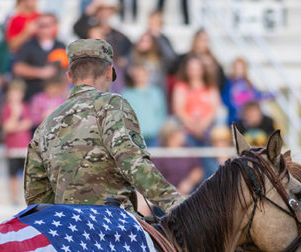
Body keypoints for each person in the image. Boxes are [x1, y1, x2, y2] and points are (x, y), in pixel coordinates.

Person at [23, 38, 182, 212]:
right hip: (113, 226)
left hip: (68, 229)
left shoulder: (47, 122)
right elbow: (133, 163)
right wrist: (175, 204)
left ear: (69, 76)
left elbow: (35, 194)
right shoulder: (112, 104)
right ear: (109, 72)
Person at [12, 12, 66, 101]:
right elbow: (18, 68)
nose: (44, 29)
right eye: (41, 25)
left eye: (47, 25)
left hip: (55, 98)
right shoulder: (28, 45)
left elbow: (67, 72)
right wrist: (40, 73)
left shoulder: (61, 46)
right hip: (32, 95)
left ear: (54, 26)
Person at [171, 54, 221, 146]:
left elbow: (214, 109)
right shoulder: (181, 87)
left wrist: (202, 125)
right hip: (187, 129)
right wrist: (193, 126)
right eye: (191, 69)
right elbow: (179, 110)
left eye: (197, 68)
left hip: (208, 129)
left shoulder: (210, 87)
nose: (194, 72)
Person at [73, 0, 132, 68]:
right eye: (101, 11)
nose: (104, 14)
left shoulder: (120, 37)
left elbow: (124, 59)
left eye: (108, 11)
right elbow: (77, 27)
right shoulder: (88, 32)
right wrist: (92, 7)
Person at [152, 117, 203, 195]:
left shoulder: (188, 147)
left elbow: (198, 170)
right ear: (171, 136)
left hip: (188, 194)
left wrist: (188, 182)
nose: (184, 135)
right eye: (181, 132)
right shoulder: (159, 152)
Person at [1, 79, 32, 206]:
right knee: (13, 174)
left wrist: (16, 126)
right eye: (12, 93)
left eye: (17, 93)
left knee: (27, 175)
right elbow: (7, 127)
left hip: (24, 147)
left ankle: (27, 198)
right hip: (12, 148)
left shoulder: (25, 107)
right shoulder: (7, 108)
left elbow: (28, 123)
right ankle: (14, 198)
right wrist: (15, 115)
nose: (15, 96)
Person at [122, 62, 165, 146]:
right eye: (138, 74)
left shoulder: (156, 93)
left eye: (143, 74)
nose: (140, 77)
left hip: (154, 137)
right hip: (135, 137)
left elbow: (161, 113)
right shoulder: (127, 94)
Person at [223, 57, 269, 124]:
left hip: (248, 117)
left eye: (241, 67)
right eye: (236, 67)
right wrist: (238, 107)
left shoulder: (248, 83)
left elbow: (256, 95)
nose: (238, 70)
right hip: (235, 118)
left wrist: (266, 95)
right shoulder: (229, 83)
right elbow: (225, 100)